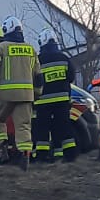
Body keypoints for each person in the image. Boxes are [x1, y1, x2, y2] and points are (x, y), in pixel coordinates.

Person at [0, 18, 40, 170]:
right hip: (26, 95)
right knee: (23, 125)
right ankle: (25, 155)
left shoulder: (1, 47)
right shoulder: (31, 49)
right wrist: (36, 94)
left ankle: (2, 151)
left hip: (5, 94)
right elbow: (38, 76)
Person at [33, 29, 76, 163]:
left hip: (43, 101)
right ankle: (68, 154)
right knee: (64, 126)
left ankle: (42, 155)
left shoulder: (38, 61)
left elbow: (34, 80)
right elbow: (71, 77)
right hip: (62, 100)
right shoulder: (64, 58)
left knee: (43, 128)